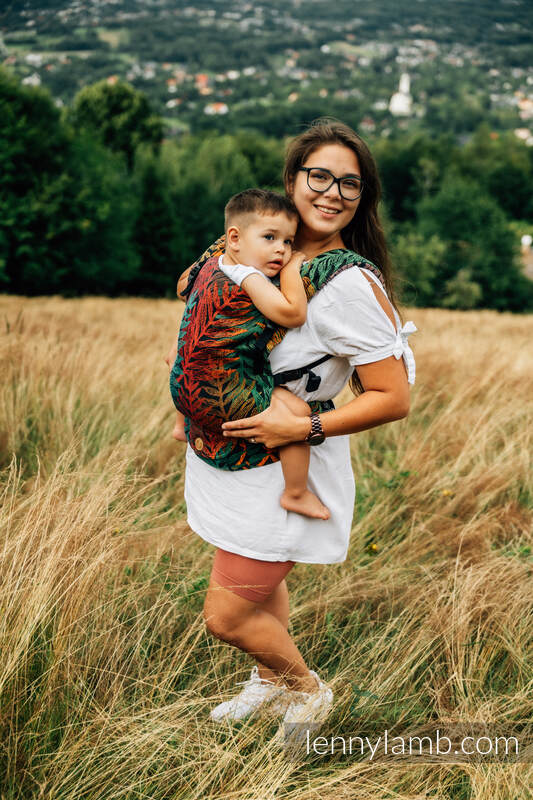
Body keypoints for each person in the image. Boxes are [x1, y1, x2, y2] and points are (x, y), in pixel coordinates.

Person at [166, 119, 416, 733]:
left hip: (285, 463)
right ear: (292, 179)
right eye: (320, 176)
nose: (333, 193)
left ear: (364, 198)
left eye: (350, 184)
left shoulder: (346, 283)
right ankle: (268, 682)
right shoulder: (260, 247)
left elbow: (393, 396)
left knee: (226, 616)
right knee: (256, 588)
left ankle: (307, 693)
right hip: (233, 458)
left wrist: (299, 428)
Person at [170, 188, 330, 520]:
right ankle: (296, 493)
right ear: (234, 238)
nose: (281, 250)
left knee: (180, 351)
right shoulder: (249, 277)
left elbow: (182, 287)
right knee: (297, 414)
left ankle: (180, 424)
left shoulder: (212, 265)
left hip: (181, 392)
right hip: (221, 397)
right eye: (270, 237)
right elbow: (292, 314)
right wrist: (291, 271)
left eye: (288, 242)